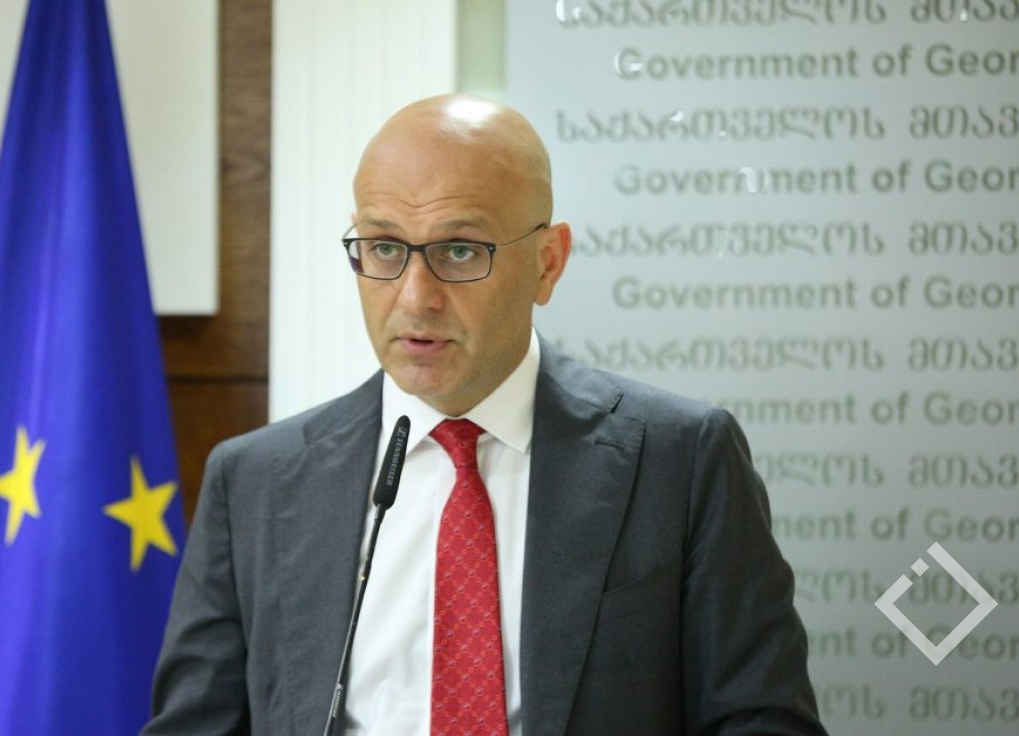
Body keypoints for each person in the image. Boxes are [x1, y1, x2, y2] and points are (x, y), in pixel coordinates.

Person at [144, 94, 826, 735]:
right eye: (385, 247)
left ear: (547, 264)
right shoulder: (257, 481)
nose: (415, 297)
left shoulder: (679, 460)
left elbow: (762, 721)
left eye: (460, 251)